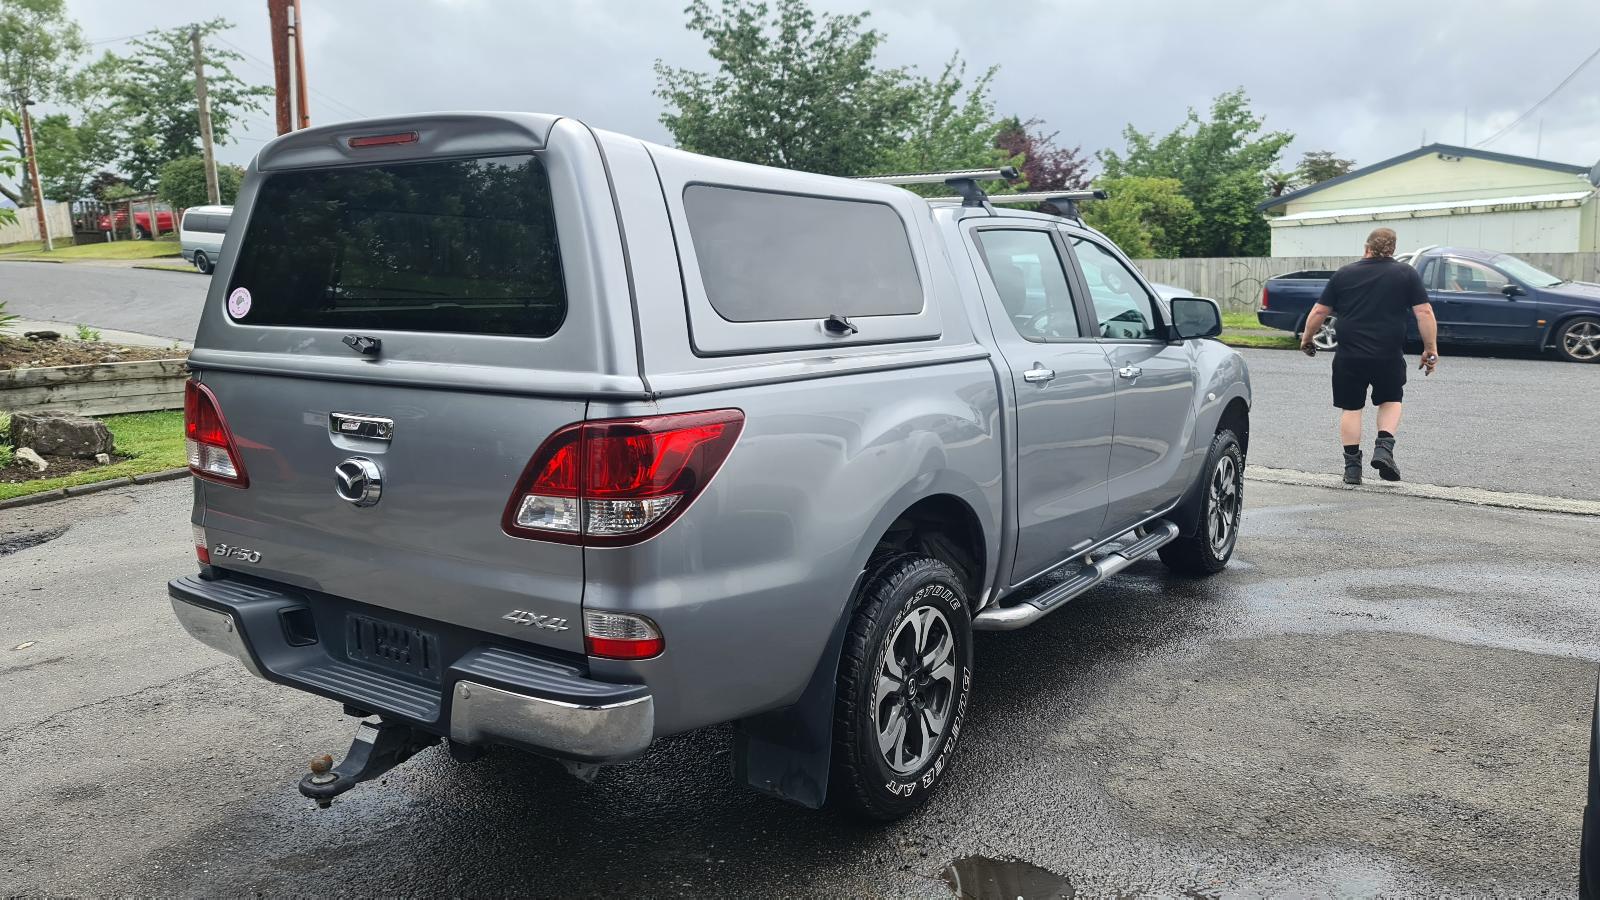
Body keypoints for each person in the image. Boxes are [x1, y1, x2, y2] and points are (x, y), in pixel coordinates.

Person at [1300, 227, 1439, 485]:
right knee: (1391, 399)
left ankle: (1352, 469)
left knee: (1351, 408)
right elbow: (1424, 313)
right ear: (1393, 249)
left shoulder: (1344, 274)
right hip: (1388, 353)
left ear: (1366, 247)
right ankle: (1383, 449)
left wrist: (1307, 338)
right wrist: (1430, 348)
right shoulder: (1405, 273)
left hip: (1349, 355)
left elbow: (1319, 311)